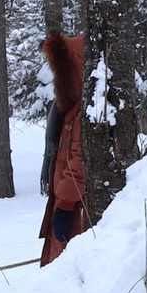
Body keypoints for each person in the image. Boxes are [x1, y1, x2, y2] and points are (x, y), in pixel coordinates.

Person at [38, 33, 86, 266]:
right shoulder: (68, 109)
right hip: (64, 204)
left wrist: (65, 206)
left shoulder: (81, 113)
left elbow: (80, 163)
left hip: (75, 211)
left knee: (64, 273)